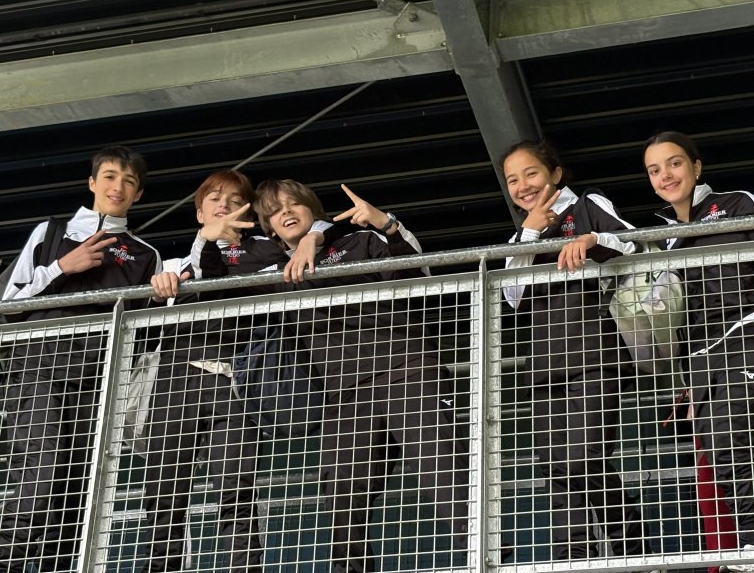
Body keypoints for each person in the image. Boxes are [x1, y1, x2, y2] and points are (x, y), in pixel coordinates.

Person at [249, 180, 470, 573]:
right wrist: (208, 239)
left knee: (438, 460)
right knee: (341, 486)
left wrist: (387, 224)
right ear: (269, 227)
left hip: (405, 368)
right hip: (345, 393)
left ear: (312, 208)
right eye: (275, 211)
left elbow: (418, 273)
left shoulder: (359, 240)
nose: (286, 213)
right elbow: (220, 273)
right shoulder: (274, 268)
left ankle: (484, 550)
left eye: (294, 204)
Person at [142, 170, 334, 572]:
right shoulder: (176, 262)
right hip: (177, 379)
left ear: (249, 212)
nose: (224, 206)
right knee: (162, 491)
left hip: (236, 381)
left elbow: (314, 232)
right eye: (214, 200)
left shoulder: (267, 249)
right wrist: (162, 288)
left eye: (234, 200)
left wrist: (313, 237)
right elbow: (152, 316)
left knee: (234, 490)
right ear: (200, 214)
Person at [0, 146, 161, 573]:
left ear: (138, 193)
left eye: (129, 181)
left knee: (78, 488)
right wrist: (62, 268)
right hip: (38, 366)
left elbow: (145, 338)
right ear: (92, 183)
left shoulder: (145, 255)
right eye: (109, 176)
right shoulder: (52, 232)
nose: (118, 187)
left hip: (98, 378)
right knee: (40, 471)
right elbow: (3, 304)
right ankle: (7, 564)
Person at [501, 139, 651, 562]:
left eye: (531, 173)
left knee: (585, 458)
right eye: (512, 180)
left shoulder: (587, 205)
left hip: (593, 356)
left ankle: (631, 548)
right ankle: (574, 556)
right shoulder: (521, 235)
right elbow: (511, 296)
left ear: (555, 173)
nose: (522, 185)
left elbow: (634, 246)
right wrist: (530, 232)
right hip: (543, 367)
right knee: (555, 469)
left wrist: (591, 240)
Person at [642, 131, 754, 572]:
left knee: (739, 443)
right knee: (725, 456)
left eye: (674, 163)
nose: (665, 176)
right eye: (655, 170)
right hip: (702, 364)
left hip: (745, 338)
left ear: (696, 166)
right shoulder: (665, 240)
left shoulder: (736, 204)